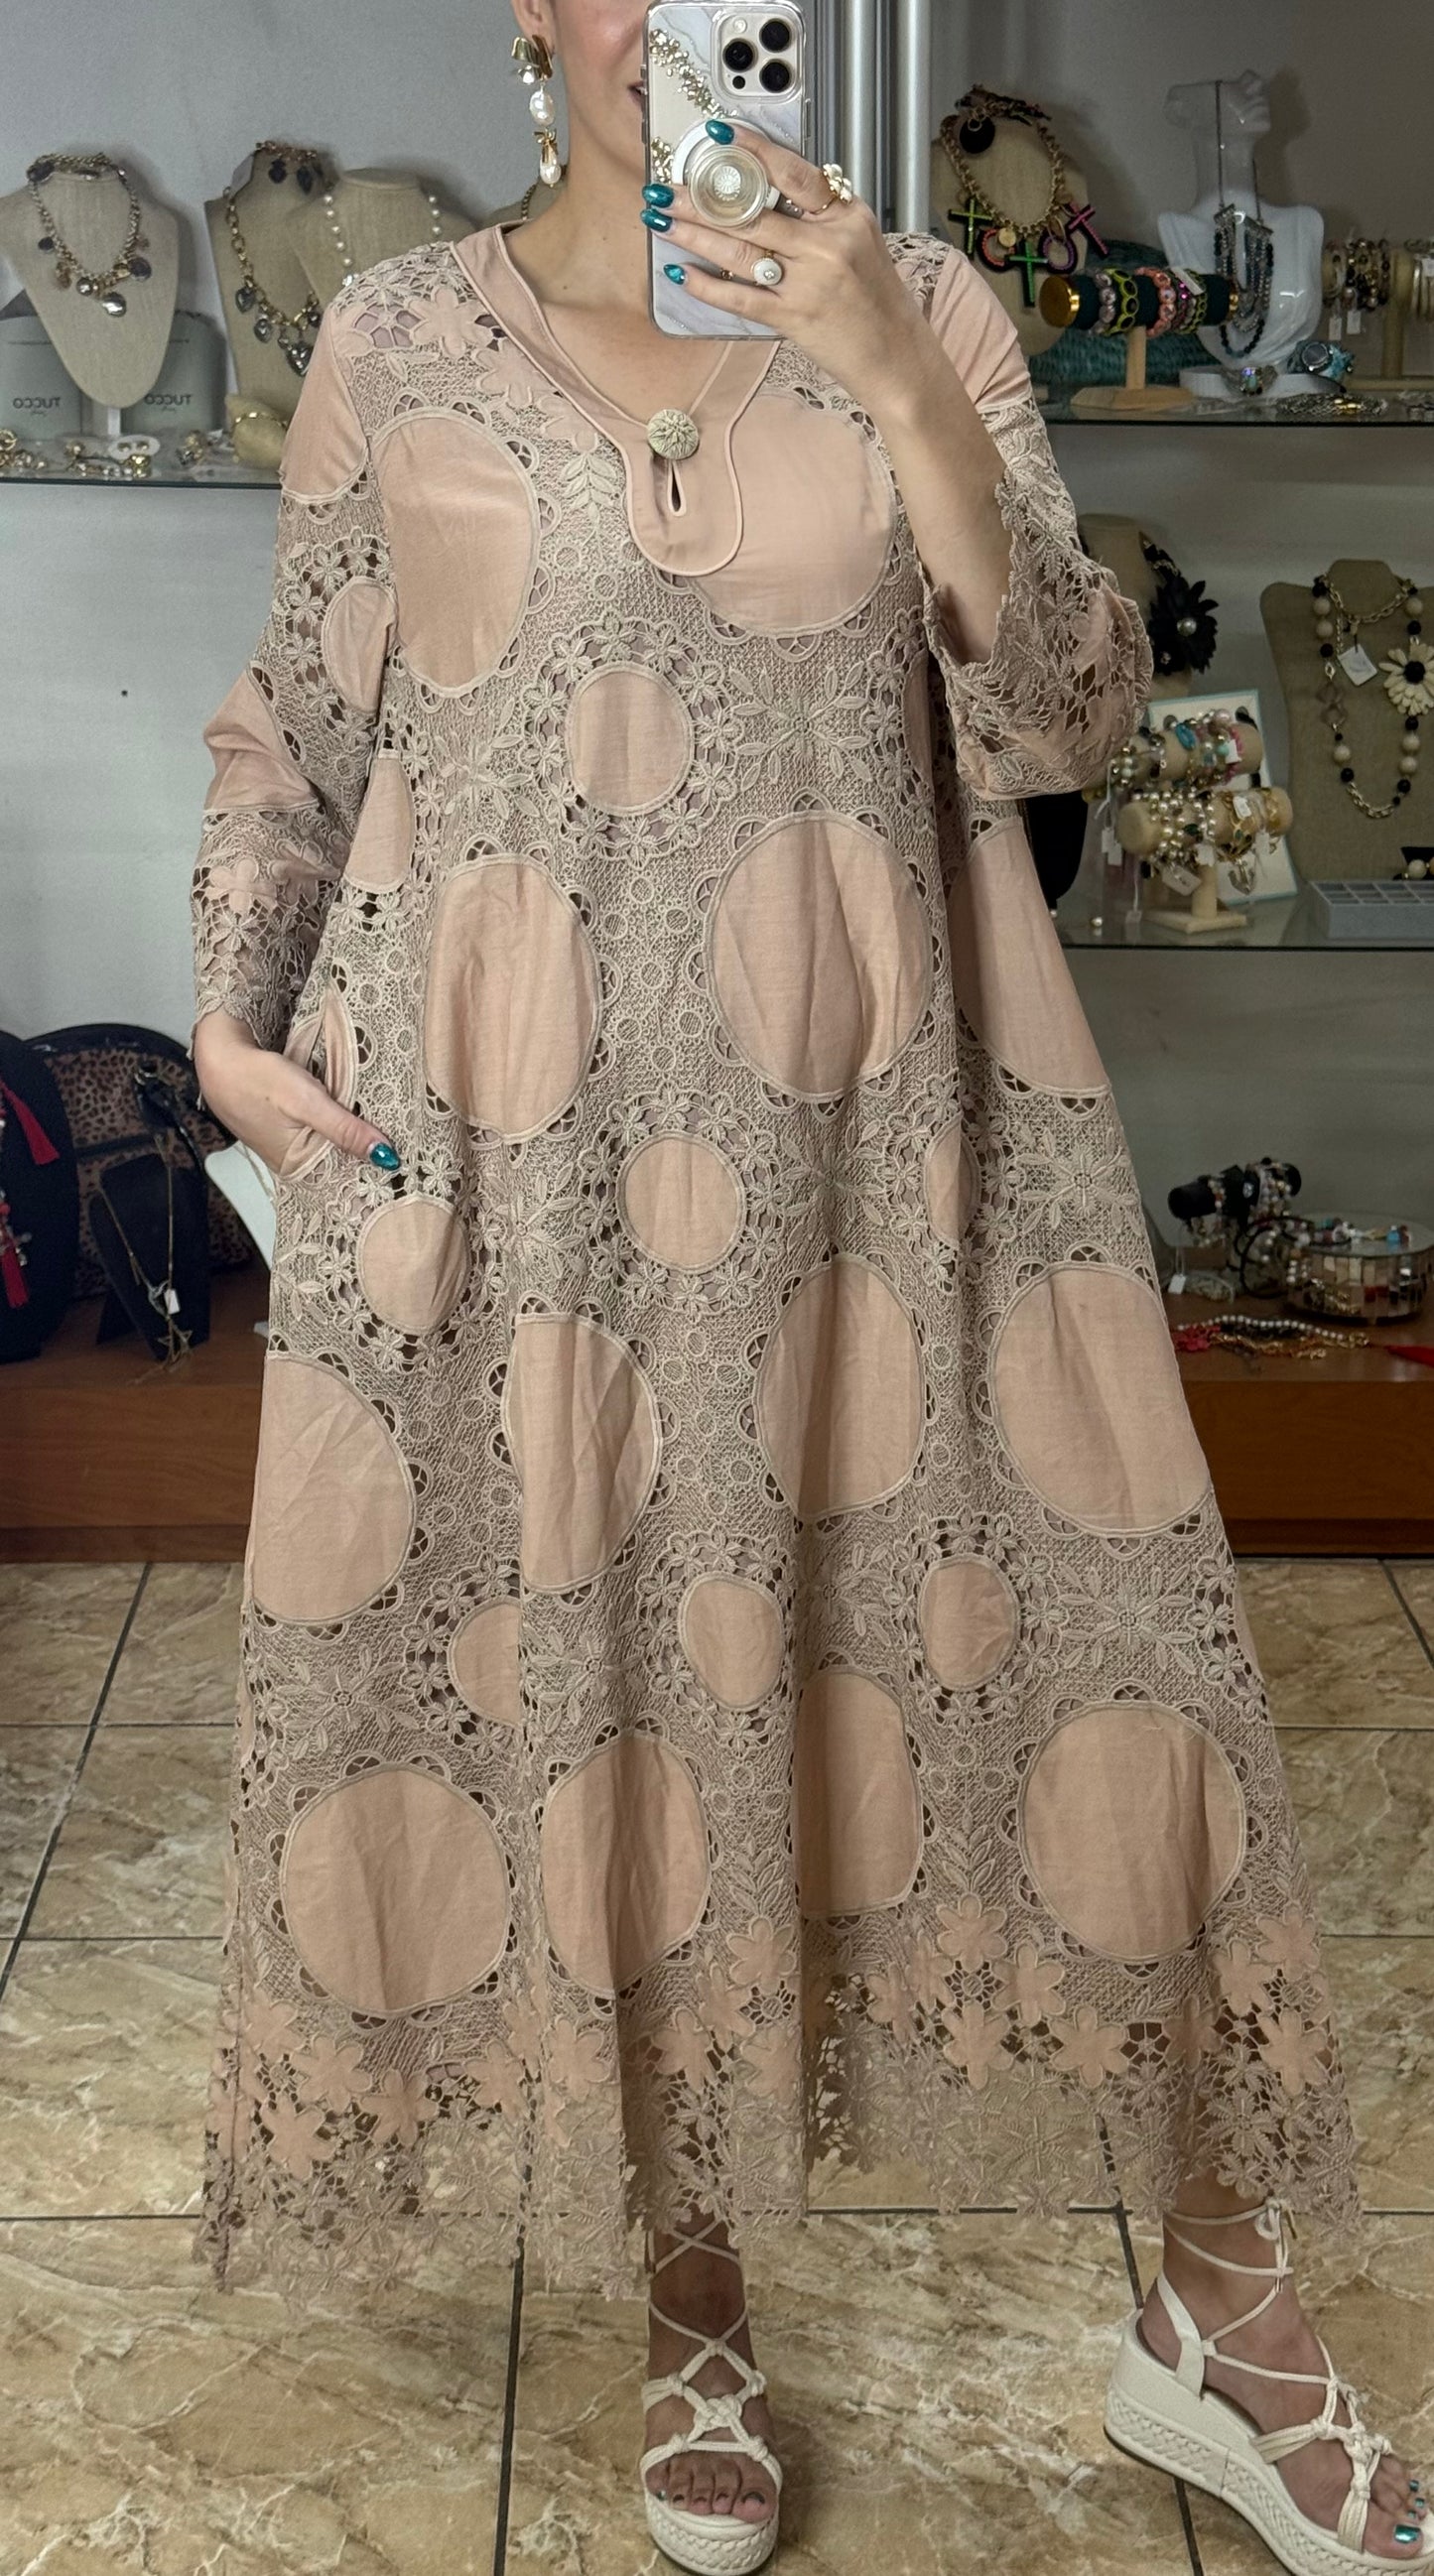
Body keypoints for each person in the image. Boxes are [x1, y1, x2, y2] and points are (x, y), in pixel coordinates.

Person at [187, 6, 1426, 2572]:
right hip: (521, 1165)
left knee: (1107, 1671)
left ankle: (1221, 2308)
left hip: (896, 1140)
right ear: (530, 12)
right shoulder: (395, 337)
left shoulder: (925, 309)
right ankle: (692, 2287)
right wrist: (228, 1011)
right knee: (617, 1694)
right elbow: (296, 723)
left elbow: (1063, 722)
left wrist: (891, 365)